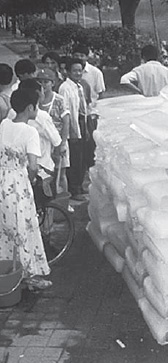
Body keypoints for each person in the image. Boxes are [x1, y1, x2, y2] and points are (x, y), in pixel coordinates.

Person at [0, 88, 52, 290]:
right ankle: (28, 275)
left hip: (1, 179)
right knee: (24, 227)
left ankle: (7, 270)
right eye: (37, 106)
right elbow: (32, 165)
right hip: (17, 183)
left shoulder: (4, 124)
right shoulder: (30, 131)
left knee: (5, 228)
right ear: (30, 107)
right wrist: (32, 178)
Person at [36, 68, 70, 196]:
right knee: (45, 175)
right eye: (40, 82)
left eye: (46, 82)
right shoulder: (36, 100)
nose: (43, 85)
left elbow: (66, 122)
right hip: (43, 144)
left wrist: (62, 144)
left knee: (60, 174)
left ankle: (64, 202)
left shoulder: (59, 100)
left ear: (53, 83)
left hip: (58, 142)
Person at [58, 57, 88, 202]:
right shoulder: (65, 88)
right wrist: (72, 132)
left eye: (80, 70)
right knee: (74, 160)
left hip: (81, 123)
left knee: (81, 158)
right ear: (68, 72)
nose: (78, 73)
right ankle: (74, 189)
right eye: (74, 70)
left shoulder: (79, 86)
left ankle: (80, 185)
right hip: (71, 128)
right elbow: (66, 112)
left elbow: (82, 109)